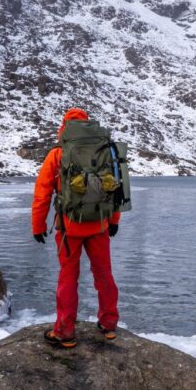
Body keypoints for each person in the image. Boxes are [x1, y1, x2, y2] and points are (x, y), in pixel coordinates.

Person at [32, 107, 121, 349]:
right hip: (100, 224)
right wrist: (113, 221)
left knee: (68, 277)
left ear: (65, 127)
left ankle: (65, 332)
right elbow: (115, 188)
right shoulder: (105, 150)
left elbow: (42, 194)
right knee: (104, 274)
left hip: (69, 228)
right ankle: (109, 325)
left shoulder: (58, 153)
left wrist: (38, 226)